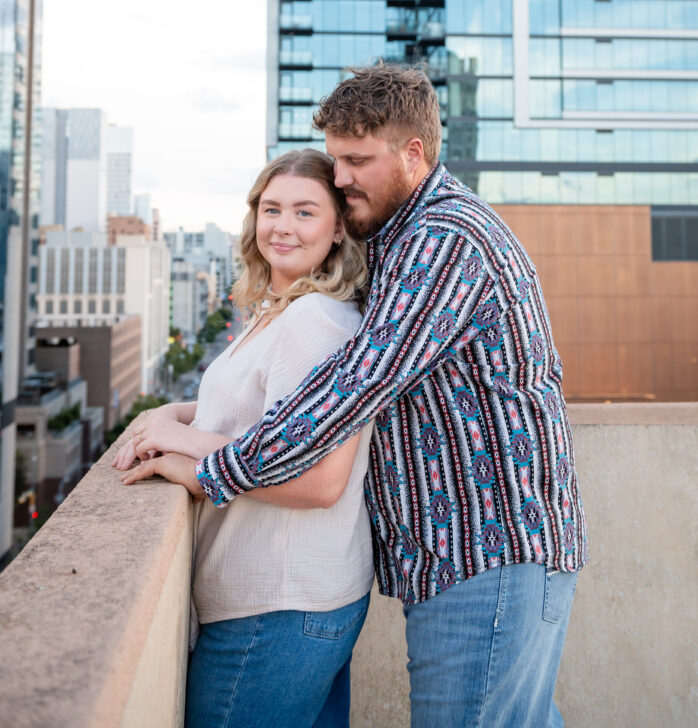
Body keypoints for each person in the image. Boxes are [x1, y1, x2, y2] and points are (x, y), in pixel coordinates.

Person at [136, 65, 587, 727]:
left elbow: (351, 389)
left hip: (491, 556)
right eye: (336, 158)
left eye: (355, 160)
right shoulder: (402, 240)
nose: (339, 175)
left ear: (414, 154)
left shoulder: (443, 241)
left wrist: (207, 463)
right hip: (463, 557)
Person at [113, 149, 375, 728]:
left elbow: (316, 479)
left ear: (337, 232)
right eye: (271, 208)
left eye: (305, 212)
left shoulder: (315, 323)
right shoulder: (281, 310)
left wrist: (184, 457)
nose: (282, 226)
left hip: (276, 608)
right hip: (296, 602)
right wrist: (174, 416)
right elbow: (259, 416)